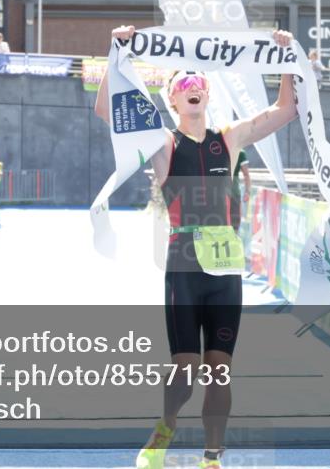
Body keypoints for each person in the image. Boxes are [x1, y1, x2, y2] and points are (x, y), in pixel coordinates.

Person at [96, 25, 298, 469]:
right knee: (186, 372)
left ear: (207, 96)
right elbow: (105, 107)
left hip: (225, 271)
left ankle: (213, 456)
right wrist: (117, 50)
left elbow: (285, 109)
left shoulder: (229, 139)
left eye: (198, 84)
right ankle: (166, 425)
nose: (192, 89)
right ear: (172, 100)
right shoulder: (162, 144)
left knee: (219, 370)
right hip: (184, 267)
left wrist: (285, 59)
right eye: (182, 85)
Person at [229, 150, 251, 230]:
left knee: (234, 223)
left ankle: (233, 239)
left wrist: (247, 191)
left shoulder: (240, 152)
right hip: (216, 194)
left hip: (233, 194)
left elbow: (246, 174)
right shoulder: (214, 148)